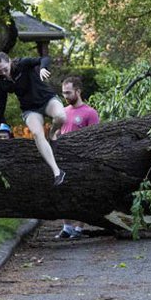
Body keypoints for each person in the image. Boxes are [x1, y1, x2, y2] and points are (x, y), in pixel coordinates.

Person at [0, 52, 67, 185]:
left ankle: (52, 134)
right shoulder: (2, 83)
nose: (4, 73)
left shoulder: (23, 64)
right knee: (37, 133)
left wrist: (43, 68)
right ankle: (57, 172)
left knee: (61, 117)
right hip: (30, 109)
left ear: (9, 61)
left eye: (5, 69)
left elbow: (44, 58)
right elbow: (0, 108)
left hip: (47, 99)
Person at [55, 75, 99, 239]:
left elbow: (95, 137)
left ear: (78, 91)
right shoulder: (63, 112)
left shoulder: (90, 113)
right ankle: (67, 227)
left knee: (82, 194)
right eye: (63, 93)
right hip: (64, 160)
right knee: (63, 193)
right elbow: (57, 133)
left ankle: (79, 228)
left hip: (82, 160)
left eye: (68, 93)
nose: (65, 96)